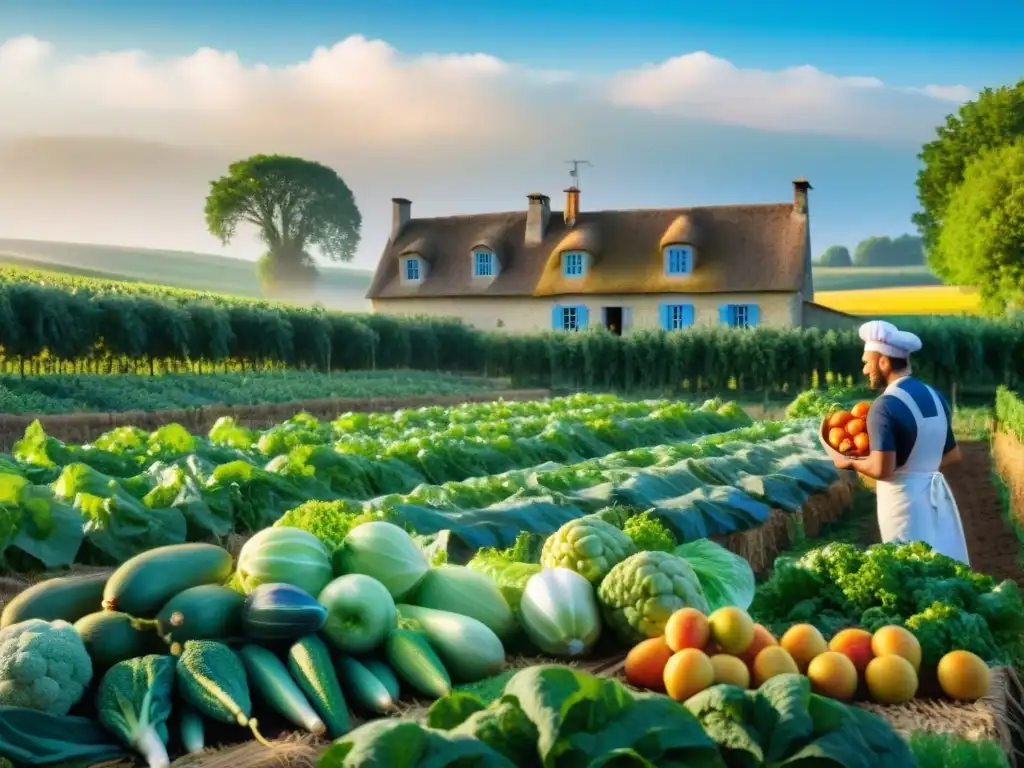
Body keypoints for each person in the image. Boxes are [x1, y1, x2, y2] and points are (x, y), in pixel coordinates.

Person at [831, 320, 970, 565]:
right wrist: (920, 467)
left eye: (867, 362)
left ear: (883, 362)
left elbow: (881, 469)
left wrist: (848, 461)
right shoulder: (935, 396)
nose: (864, 370)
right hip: (936, 498)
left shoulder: (884, 406)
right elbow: (953, 453)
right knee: (941, 565)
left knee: (909, 568)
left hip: (903, 505)